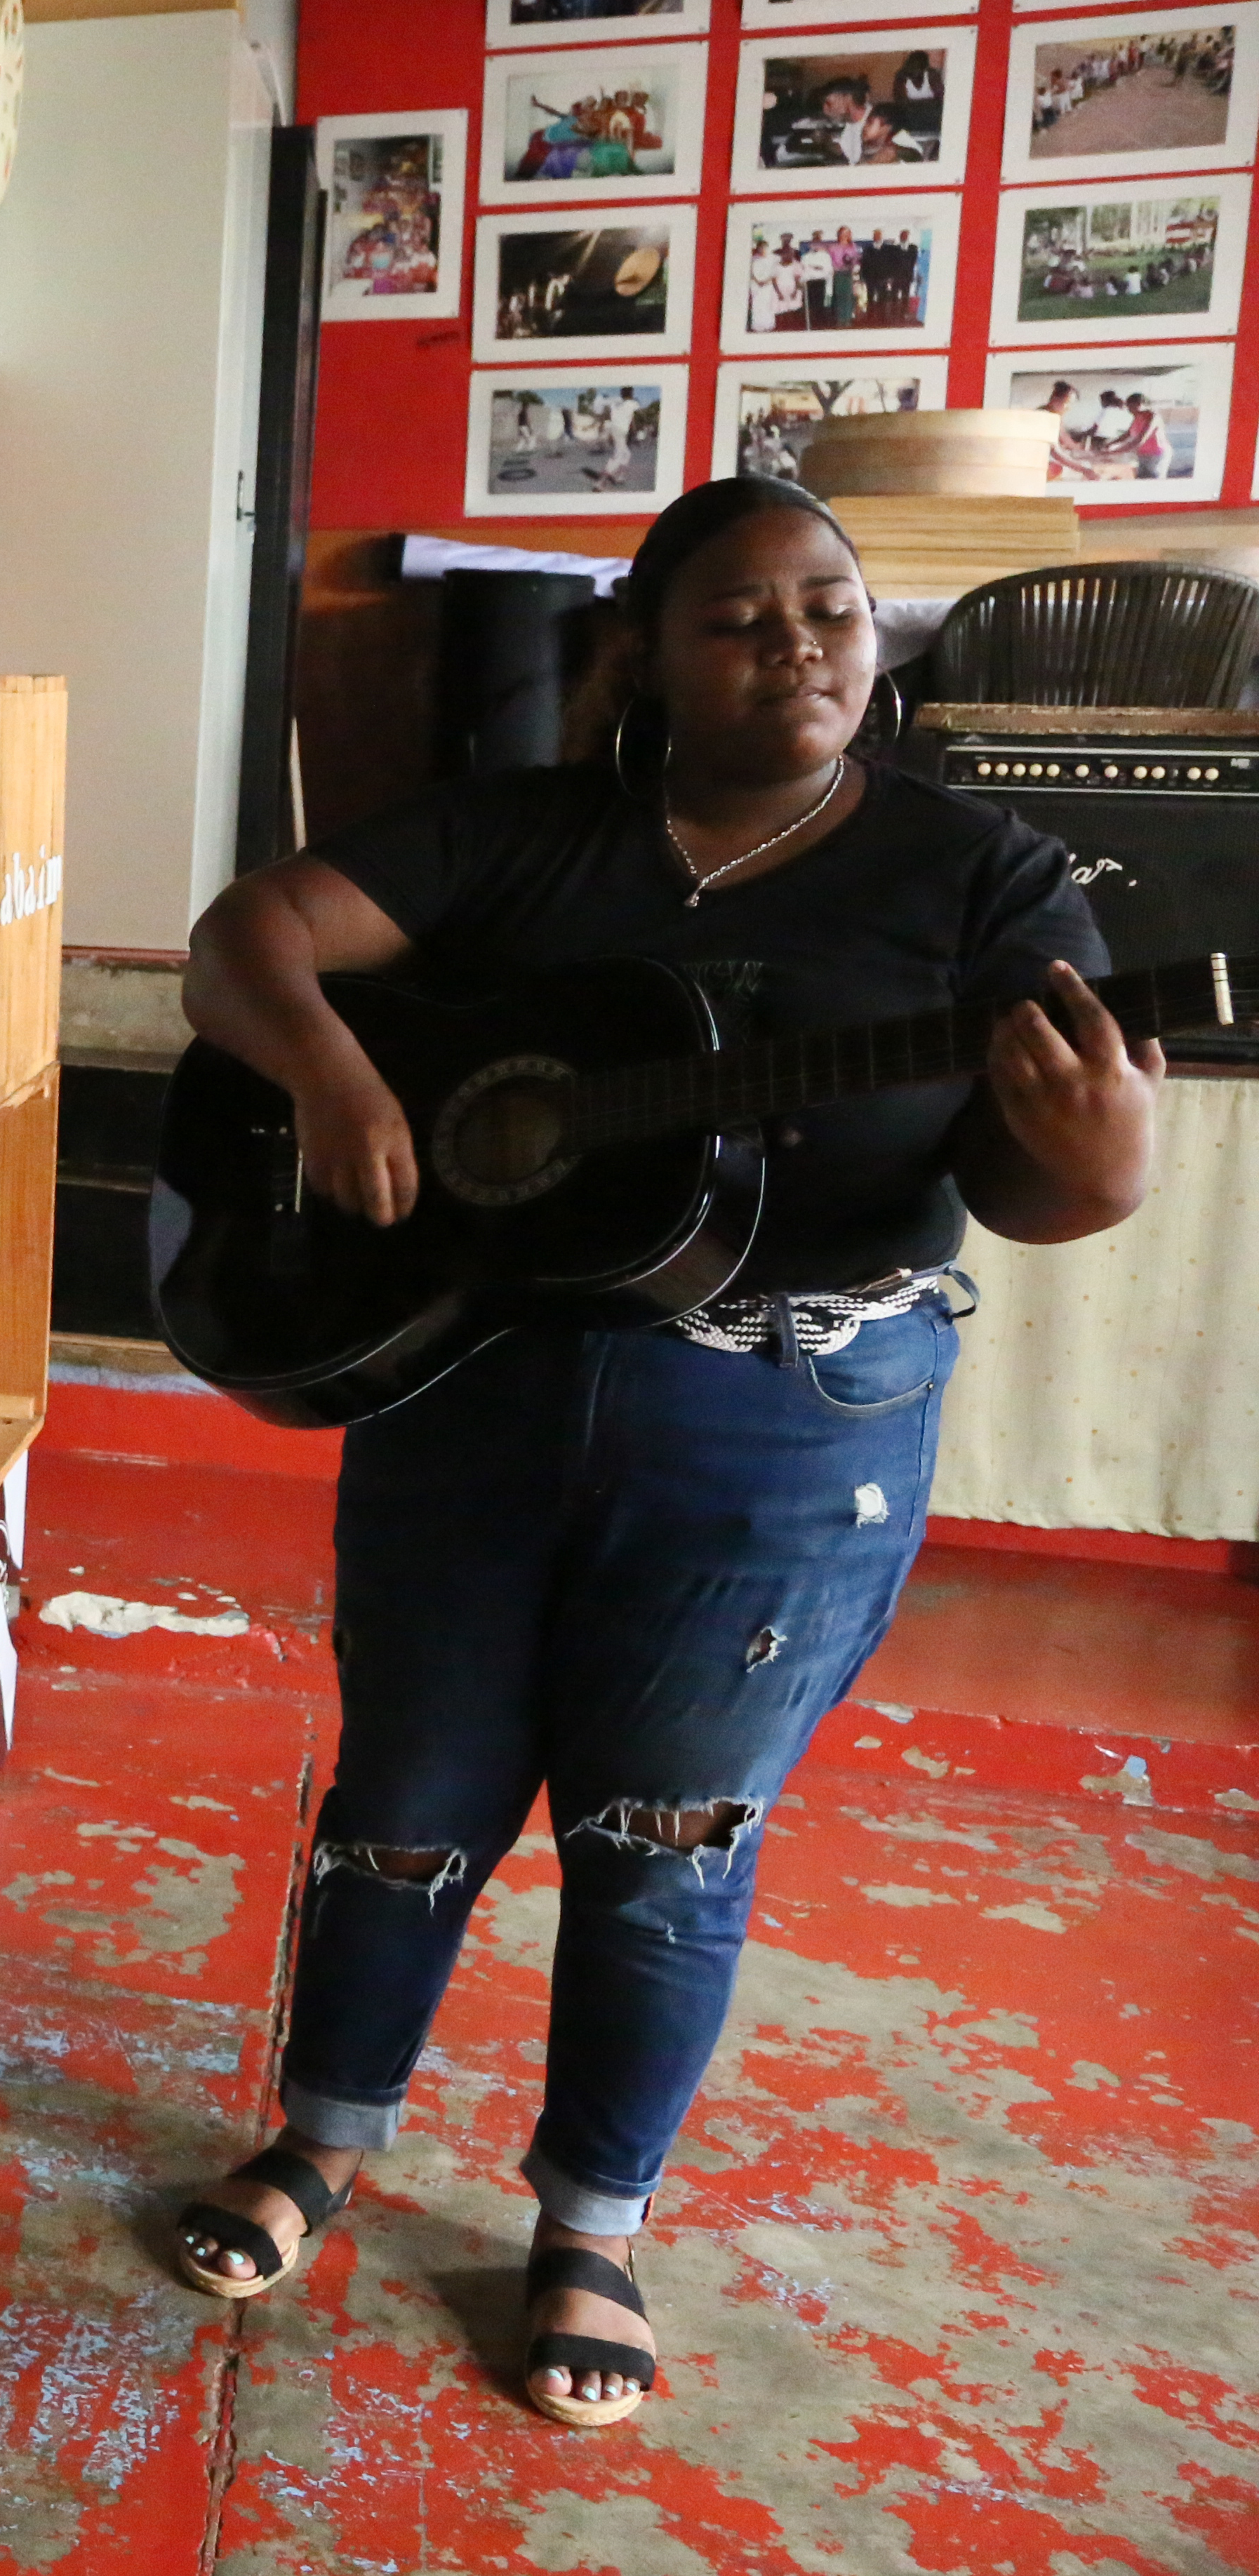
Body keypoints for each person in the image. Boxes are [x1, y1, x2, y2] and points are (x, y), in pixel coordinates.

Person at [166, 476, 1161, 2426]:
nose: (796, 646)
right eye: (741, 618)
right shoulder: (529, 834)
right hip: (474, 1398)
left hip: (782, 1426)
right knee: (403, 1806)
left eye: (832, 611)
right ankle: (324, 2139)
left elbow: (1040, 1193)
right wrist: (342, 1071)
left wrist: (1104, 1153)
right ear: (650, 648)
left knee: (666, 1844)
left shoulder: (984, 880)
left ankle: (591, 2224)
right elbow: (250, 937)